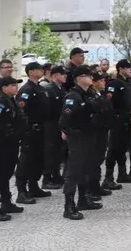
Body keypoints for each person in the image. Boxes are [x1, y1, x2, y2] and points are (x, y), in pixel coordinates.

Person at [60, 66, 101, 220]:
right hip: (78, 138)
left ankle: (83, 200)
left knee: (86, 169)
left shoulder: (87, 94)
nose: (91, 78)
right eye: (88, 75)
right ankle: (69, 206)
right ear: (79, 78)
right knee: (74, 171)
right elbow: (64, 121)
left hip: (89, 136)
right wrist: (72, 133)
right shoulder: (73, 96)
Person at [0, 76, 26, 221]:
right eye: (12, 85)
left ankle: (6, 202)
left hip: (11, 144)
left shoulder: (11, 101)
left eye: (16, 85)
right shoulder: (0, 103)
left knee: (6, 174)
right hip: (2, 145)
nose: (16, 88)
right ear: (4, 88)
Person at [14, 61, 52, 205]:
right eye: (39, 69)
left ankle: (34, 186)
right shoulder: (27, 89)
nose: (42, 71)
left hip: (42, 128)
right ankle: (21, 191)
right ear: (31, 72)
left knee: (38, 159)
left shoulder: (40, 88)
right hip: (30, 129)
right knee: (26, 160)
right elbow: (21, 110)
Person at [104, 60, 131, 187]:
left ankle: (122, 174)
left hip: (128, 118)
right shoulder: (114, 83)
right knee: (114, 148)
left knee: (123, 147)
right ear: (120, 69)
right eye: (128, 68)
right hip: (118, 119)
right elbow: (109, 101)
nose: (130, 70)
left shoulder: (128, 83)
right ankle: (108, 177)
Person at [86, 72, 115, 199]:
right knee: (92, 160)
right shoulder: (89, 95)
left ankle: (95, 186)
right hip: (94, 131)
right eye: (101, 80)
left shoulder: (101, 95)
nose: (104, 83)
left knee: (99, 159)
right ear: (94, 82)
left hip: (103, 130)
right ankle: (89, 189)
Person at [40, 66, 67, 189]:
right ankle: (47, 178)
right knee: (50, 151)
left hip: (59, 122)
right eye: (62, 75)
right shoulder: (48, 89)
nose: (65, 77)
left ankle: (56, 175)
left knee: (58, 151)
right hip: (51, 123)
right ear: (55, 76)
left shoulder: (61, 89)